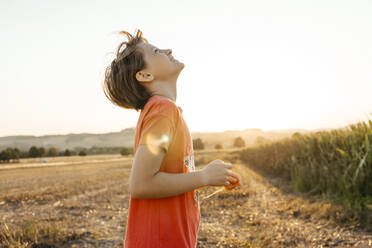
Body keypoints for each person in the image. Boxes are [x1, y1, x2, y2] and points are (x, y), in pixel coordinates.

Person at [102, 29, 242, 248]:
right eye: (157, 51)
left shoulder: (161, 111)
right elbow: (141, 183)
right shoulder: (163, 110)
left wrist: (210, 176)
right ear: (145, 75)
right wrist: (204, 177)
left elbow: (163, 175)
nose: (168, 50)